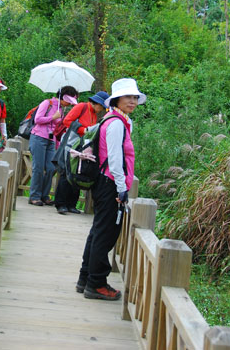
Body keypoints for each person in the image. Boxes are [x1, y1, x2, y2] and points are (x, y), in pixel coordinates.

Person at [77, 78, 145, 300]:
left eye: (135, 97)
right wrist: (121, 188)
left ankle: (85, 278)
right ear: (116, 99)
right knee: (106, 234)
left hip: (105, 183)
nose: (133, 101)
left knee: (98, 231)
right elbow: (115, 160)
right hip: (110, 185)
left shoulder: (113, 119)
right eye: (128, 97)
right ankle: (96, 284)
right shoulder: (116, 123)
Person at [54, 91, 109, 215]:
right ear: (97, 103)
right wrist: (83, 130)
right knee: (66, 172)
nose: (102, 109)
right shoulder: (82, 106)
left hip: (82, 146)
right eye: (102, 107)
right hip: (71, 143)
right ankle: (61, 204)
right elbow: (67, 121)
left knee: (77, 173)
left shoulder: (94, 114)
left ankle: (71, 204)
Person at [28, 85, 78, 206]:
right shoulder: (47, 103)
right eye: (69, 101)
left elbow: (56, 127)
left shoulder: (61, 109)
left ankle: (44, 195)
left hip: (51, 140)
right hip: (38, 137)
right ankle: (34, 196)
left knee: (51, 168)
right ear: (63, 97)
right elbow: (38, 119)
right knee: (38, 168)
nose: (70, 104)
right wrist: (53, 117)